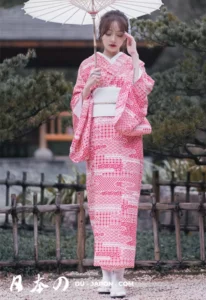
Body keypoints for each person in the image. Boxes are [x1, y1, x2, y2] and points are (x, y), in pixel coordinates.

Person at [69, 10, 155, 299]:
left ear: (127, 35)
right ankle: (106, 274)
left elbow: (143, 94)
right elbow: (76, 105)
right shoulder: (87, 66)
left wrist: (134, 56)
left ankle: (119, 278)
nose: (114, 39)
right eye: (108, 34)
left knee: (123, 211)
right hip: (100, 142)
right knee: (102, 211)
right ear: (99, 35)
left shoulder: (133, 63)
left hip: (126, 142)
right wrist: (87, 90)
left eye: (120, 34)